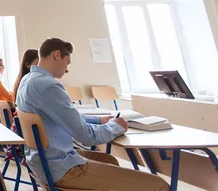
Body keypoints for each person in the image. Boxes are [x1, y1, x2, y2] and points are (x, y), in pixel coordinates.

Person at [17, 38, 169, 191]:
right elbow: (86, 136)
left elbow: (63, 117)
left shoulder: (26, 81)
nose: (67, 69)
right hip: (61, 169)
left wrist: (99, 120)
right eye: (67, 62)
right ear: (57, 55)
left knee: (109, 160)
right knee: (160, 185)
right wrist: (115, 127)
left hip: (40, 162)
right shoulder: (50, 86)